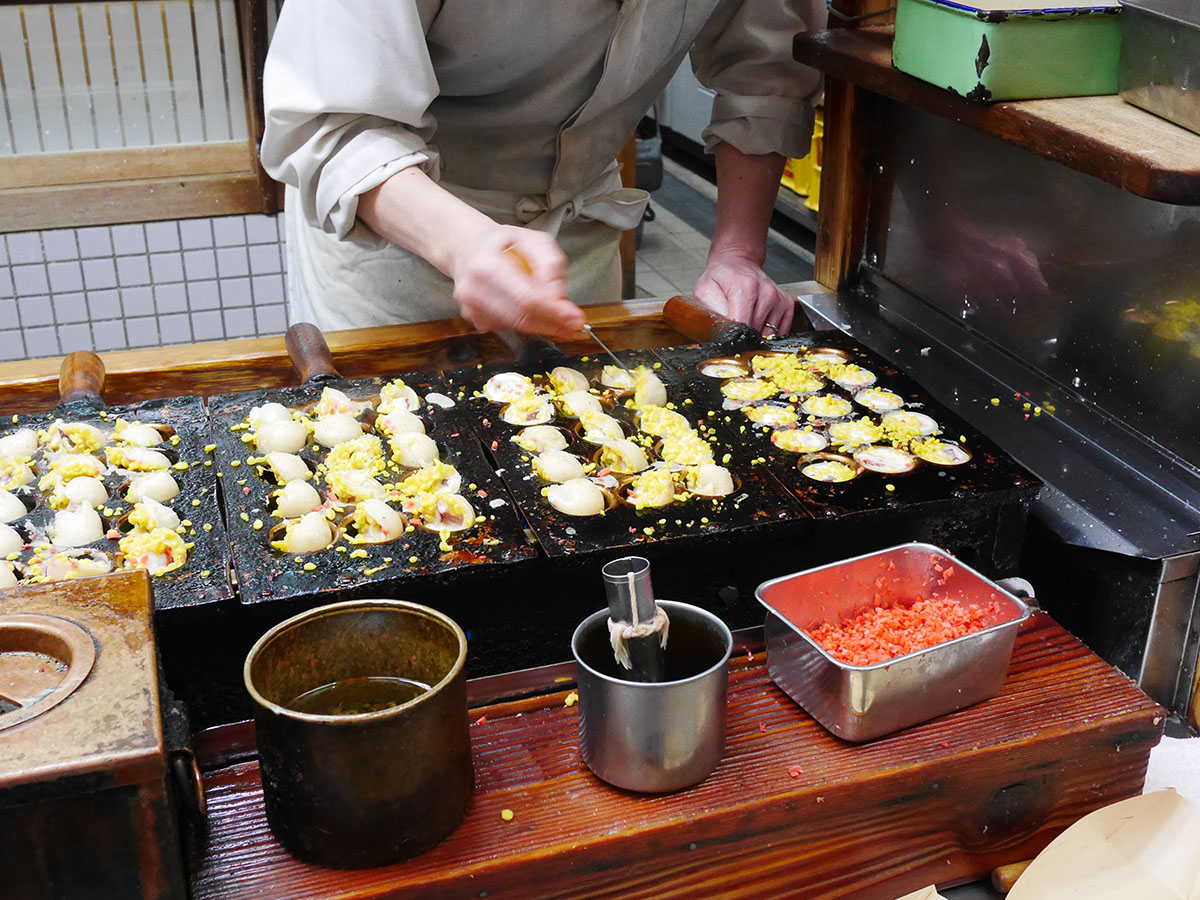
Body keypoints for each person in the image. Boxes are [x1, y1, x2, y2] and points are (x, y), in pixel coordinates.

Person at [261, 1, 826, 339]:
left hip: (576, 226)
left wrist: (737, 255)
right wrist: (465, 244)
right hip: (396, 228)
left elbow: (767, 74)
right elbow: (331, 125)